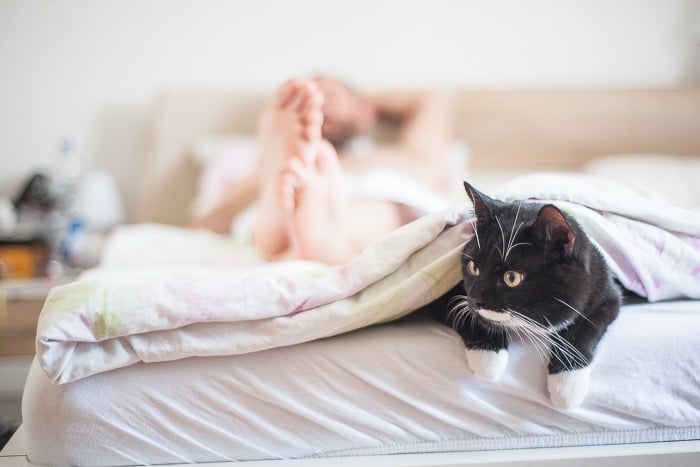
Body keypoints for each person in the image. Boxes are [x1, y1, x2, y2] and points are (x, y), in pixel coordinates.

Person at [193, 77, 452, 264]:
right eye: (307, 102)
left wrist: (363, 105)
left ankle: (308, 231)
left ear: (365, 112)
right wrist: (269, 172)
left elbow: (429, 98)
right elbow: (204, 227)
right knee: (271, 203)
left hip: (370, 202)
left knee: (384, 209)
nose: (317, 107)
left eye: (330, 98)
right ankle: (301, 230)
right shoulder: (269, 168)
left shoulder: (396, 158)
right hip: (281, 193)